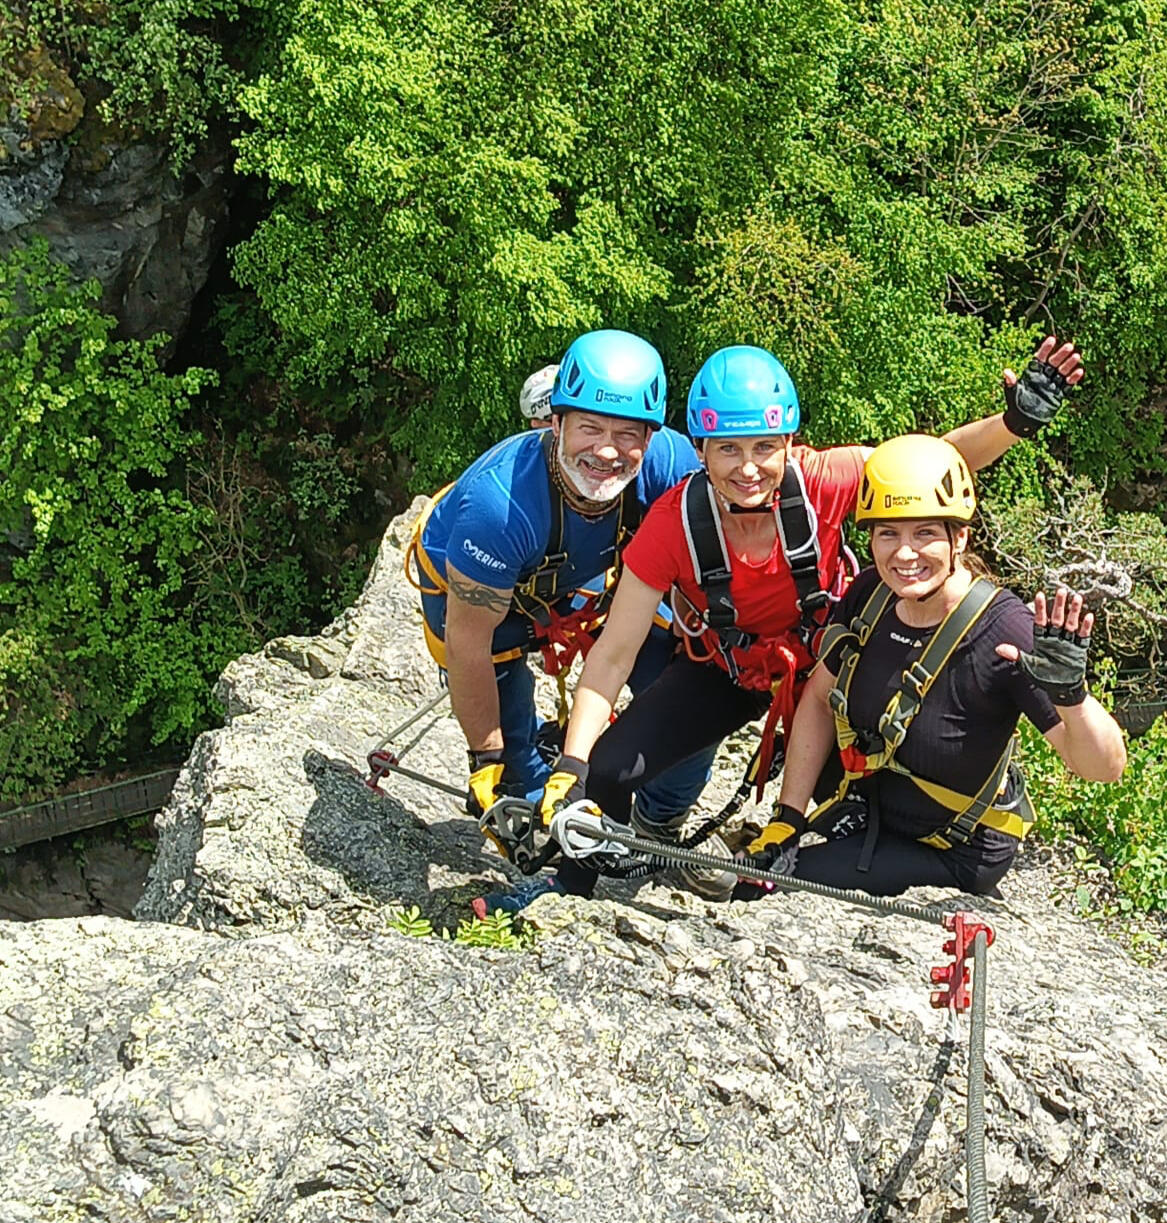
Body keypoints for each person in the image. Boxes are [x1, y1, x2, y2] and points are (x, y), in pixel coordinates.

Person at [533, 337, 1085, 899]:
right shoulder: (673, 523)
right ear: (701, 449)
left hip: (828, 671)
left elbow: (930, 468)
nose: (747, 468)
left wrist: (1013, 422)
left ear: (790, 444)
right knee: (610, 769)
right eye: (728, 449)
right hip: (733, 671)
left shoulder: (824, 478)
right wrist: (572, 768)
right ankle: (578, 884)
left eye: (764, 448)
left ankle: (851, 846)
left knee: (864, 790)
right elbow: (613, 655)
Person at [407, 329, 713, 908]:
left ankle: (658, 829)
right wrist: (486, 756)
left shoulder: (667, 464)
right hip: (483, 599)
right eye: (590, 429)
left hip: (583, 584)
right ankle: (536, 824)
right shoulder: (500, 506)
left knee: (688, 696)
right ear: (556, 424)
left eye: (627, 435)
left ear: (651, 436)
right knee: (517, 771)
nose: (606, 451)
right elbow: (469, 645)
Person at [745, 434, 1126, 897]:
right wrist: (787, 819)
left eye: (925, 533)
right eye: (888, 533)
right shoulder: (871, 596)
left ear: (959, 537)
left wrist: (1072, 698)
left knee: (762, 888)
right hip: (871, 805)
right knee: (757, 867)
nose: (904, 554)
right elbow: (822, 701)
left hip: (952, 845)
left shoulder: (1004, 632)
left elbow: (1103, 769)